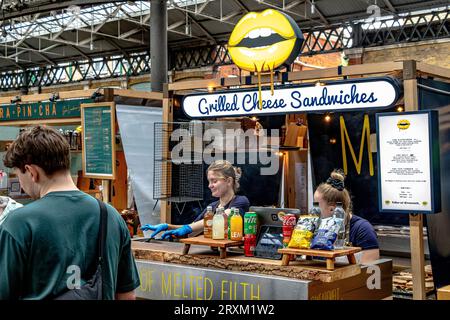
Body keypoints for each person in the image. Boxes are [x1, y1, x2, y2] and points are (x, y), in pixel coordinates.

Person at [0, 125, 140, 299]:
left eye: (19, 176)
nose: (22, 185)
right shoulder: (110, 216)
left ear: (31, 172)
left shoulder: (19, 223)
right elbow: (127, 295)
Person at [142, 160, 250, 239]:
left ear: (229, 181)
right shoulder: (212, 207)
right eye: (209, 181)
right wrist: (167, 227)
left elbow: (223, 216)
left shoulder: (240, 201)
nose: (210, 185)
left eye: (214, 181)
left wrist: (187, 228)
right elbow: (193, 229)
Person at [314, 169, 380, 264]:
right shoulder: (317, 228)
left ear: (332, 209)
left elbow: (369, 271)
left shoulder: (363, 229)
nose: (314, 209)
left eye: (316, 205)